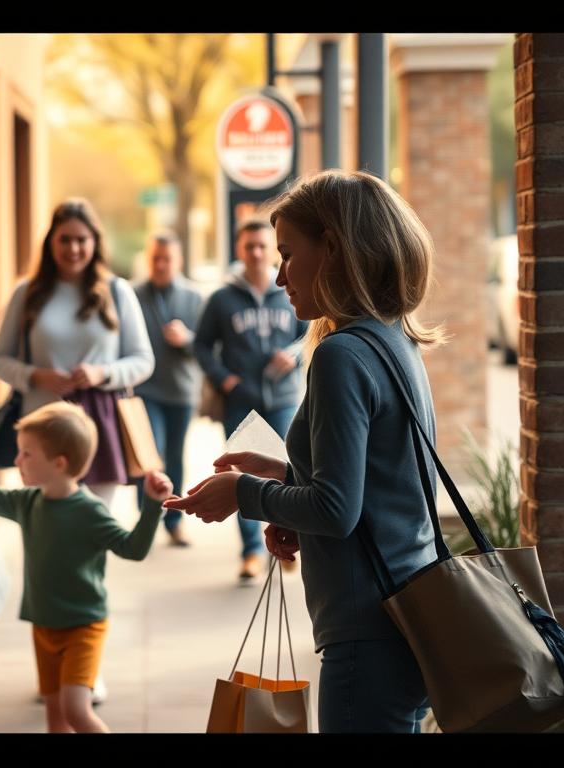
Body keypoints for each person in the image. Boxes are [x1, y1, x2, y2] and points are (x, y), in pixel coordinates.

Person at [164, 169, 444, 733]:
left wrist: (243, 493)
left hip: (366, 636)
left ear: (333, 249)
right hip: (409, 617)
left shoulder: (342, 354)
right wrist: (286, 477)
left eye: (289, 255)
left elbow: (337, 511)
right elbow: (380, 481)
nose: (279, 275)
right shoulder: (390, 337)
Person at [0, 401, 173, 733]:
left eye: (26, 454)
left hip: (84, 627)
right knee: (56, 718)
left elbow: (133, 548)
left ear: (59, 463)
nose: (17, 460)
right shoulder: (28, 502)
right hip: (44, 625)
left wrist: (152, 506)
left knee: (75, 710)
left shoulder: (90, 512)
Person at [0, 197, 154, 515]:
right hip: (41, 433)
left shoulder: (117, 292)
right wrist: (36, 376)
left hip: (100, 429)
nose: (73, 248)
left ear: (95, 242)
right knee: (44, 527)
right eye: (65, 239)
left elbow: (143, 360)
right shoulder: (26, 293)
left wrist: (102, 373)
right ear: (51, 241)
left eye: (81, 239)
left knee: (95, 526)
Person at [192, 219, 309, 580]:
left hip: (284, 397)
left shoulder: (289, 289)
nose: (256, 253)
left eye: (262, 246)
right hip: (240, 400)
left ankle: (288, 539)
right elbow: (201, 345)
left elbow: (310, 335)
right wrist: (224, 379)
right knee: (240, 473)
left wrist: (294, 356)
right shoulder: (222, 298)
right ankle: (251, 552)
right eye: (249, 247)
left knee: (290, 470)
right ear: (239, 250)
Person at [131, 230, 205, 547]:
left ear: (179, 261)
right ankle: (146, 520)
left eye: (167, 259)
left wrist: (187, 339)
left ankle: (174, 521)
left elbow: (207, 348)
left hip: (182, 392)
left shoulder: (194, 298)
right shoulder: (132, 295)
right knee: (150, 457)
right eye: (155, 258)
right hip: (145, 392)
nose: (161, 265)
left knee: (175, 457)